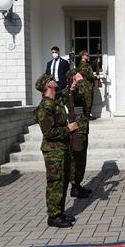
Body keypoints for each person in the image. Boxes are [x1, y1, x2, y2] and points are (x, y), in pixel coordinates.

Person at [33, 74, 79, 228]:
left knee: (63, 181)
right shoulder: (45, 107)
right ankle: (53, 216)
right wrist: (68, 128)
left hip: (62, 148)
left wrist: (72, 85)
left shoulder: (54, 102)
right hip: (53, 151)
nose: (54, 80)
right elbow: (49, 132)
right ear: (48, 85)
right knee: (55, 183)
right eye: (51, 79)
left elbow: (65, 94)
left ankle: (59, 212)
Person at [68, 69, 93, 199]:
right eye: (77, 77)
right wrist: (80, 81)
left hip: (82, 129)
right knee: (76, 159)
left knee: (81, 159)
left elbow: (87, 97)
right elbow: (88, 93)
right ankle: (74, 186)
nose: (80, 79)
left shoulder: (77, 91)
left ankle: (77, 184)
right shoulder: (69, 92)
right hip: (76, 130)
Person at [77, 51, 96, 120]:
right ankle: (86, 116)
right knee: (87, 101)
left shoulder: (86, 64)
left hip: (88, 85)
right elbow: (88, 75)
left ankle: (87, 115)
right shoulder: (83, 65)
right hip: (86, 86)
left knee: (89, 101)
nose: (88, 56)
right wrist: (96, 78)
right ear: (82, 56)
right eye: (86, 55)